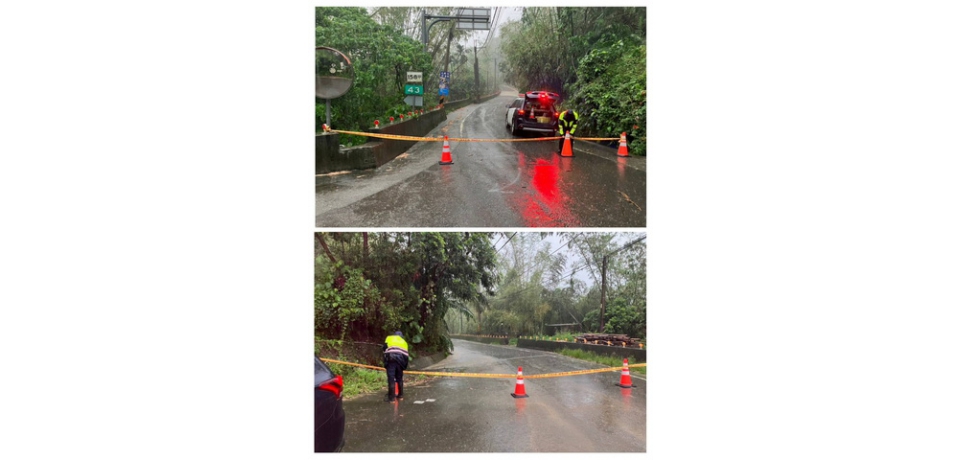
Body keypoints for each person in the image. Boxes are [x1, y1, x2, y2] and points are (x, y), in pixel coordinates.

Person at [382, 330, 409, 402]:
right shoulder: (404, 343)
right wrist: (404, 367)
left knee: (391, 379)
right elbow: (406, 357)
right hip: (400, 362)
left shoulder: (389, 338)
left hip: (391, 360)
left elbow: (384, 348)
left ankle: (391, 399)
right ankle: (400, 396)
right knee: (399, 378)